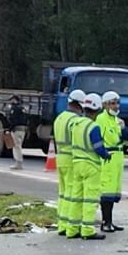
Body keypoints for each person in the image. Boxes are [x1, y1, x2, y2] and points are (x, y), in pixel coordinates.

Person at [70, 92, 113, 240]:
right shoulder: (93, 127)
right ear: (98, 109)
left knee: (76, 197)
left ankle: (72, 228)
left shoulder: (76, 123)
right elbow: (98, 147)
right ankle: (87, 230)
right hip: (91, 166)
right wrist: (106, 155)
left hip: (76, 164)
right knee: (90, 199)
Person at [95, 91, 128, 232]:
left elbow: (127, 138)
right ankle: (105, 222)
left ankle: (110, 221)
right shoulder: (101, 119)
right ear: (104, 105)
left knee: (114, 191)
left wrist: (123, 128)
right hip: (108, 156)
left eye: (117, 103)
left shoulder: (117, 120)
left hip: (118, 157)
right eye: (112, 103)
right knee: (107, 191)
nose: (115, 106)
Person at [52, 91, 85, 237]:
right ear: (79, 105)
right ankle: (70, 224)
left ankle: (62, 224)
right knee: (72, 195)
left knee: (63, 193)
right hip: (71, 158)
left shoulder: (59, 118)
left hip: (60, 158)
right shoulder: (75, 120)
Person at [7, 95, 27, 170]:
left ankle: (18, 163)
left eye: (11, 100)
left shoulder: (15, 109)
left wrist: (9, 129)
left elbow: (13, 120)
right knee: (18, 145)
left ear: (14, 100)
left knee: (16, 146)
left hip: (16, 130)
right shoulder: (23, 108)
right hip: (23, 130)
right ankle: (18, 163)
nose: (11, 102)